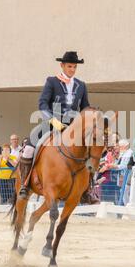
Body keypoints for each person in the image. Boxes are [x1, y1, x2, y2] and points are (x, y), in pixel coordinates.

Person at [18, 51, 90, 199]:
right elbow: (42, 104)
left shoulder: (81, 85)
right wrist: (53, 121)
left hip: (74, 126)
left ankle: (87, 189)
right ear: (62, 65)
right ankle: (25, 185)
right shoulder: (52, 81)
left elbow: (85, 108)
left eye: (74, 67)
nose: (72, 69)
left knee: (92, 150)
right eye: (69, 66)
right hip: (52, 122)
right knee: (29, 148)